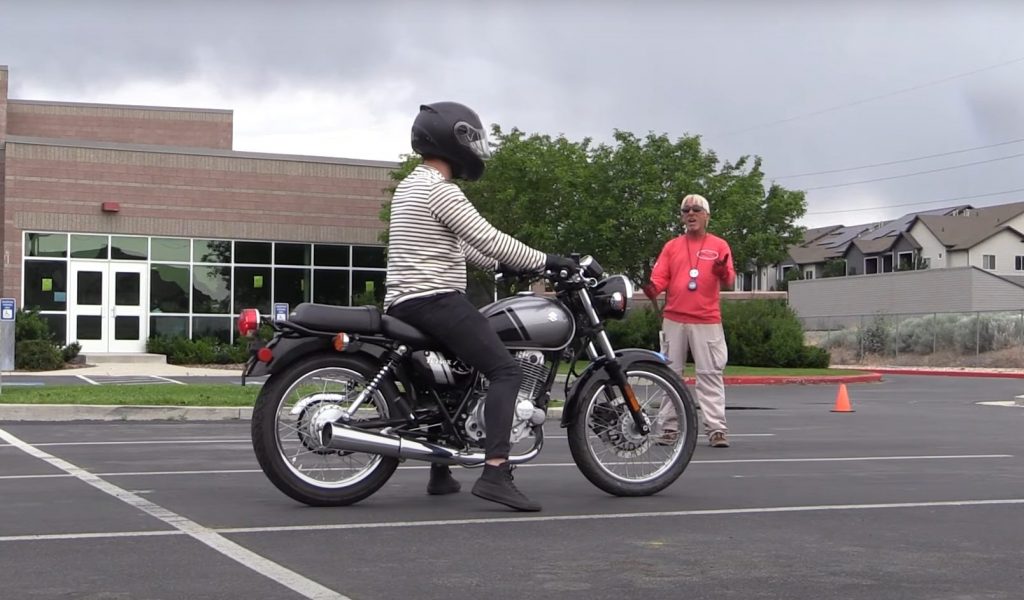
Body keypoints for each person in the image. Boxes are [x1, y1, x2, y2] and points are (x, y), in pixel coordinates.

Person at [383, 101, 575, 512]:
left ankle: (440, 469)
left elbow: (465, 245)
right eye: (471, 137)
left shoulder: (412, 186)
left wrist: (503, 266)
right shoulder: (441, 190)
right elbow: (488, 237)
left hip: (405, 302)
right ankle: (496, 471)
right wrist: (546, 261)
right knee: (504, 370)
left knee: (450, 384)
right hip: (433, 298)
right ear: (456, 140)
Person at [643, 194, 736, 448]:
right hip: (674, 319)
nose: (691, 214)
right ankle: (669, 428)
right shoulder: (672, 246)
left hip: (706, 320)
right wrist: (652, 288)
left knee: (710, 374)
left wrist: (721, 271)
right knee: (669, 374)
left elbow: (729, 280)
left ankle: (716, 429)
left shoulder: (719, 245)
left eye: (696, 209)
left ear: (707, 215)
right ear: (682, 217)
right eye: (686, 210)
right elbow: (660, 277)